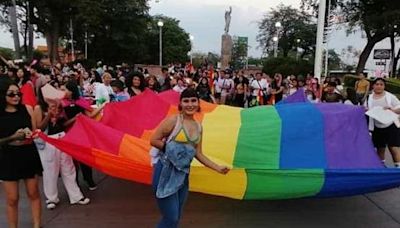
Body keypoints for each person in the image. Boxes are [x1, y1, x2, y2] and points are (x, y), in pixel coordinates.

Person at [150, 88, 230, 228]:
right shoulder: (173, 121)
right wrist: (174, 149)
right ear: (180, 103)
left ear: (198, 103)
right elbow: (154, 140)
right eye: (186, 101)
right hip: (165, 172)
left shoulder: (198, 127)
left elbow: (198, 153)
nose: (190, 104)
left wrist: (217, 168)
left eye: (193, 101)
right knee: (171, 217)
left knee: (177, 215)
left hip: (183, 174)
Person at [34, 90, 90, 209]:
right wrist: (49, 114)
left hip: (62, 137)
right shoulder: (39, 108)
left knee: (68, 167)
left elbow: (63, 124)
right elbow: (38, 127)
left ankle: (76, 196)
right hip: (49, 140)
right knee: (50, 170)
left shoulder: (60, 106)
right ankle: (51, 198)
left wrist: (75, 118)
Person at [0, 78, 42, 228]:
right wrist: (13, 137)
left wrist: (30, 134)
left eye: (18, 93)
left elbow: (33, 128)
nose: (16, 96)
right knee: (12, 198)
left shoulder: (25, 109)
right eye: (11, 94)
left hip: (27, 153)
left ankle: (37, 225)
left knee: (34, 193)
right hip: (8, 157)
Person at [61, 80, 105, 190]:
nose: (63, 91)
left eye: (65, 89)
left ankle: (89, 179)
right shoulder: (61, 103)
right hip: (69, 134)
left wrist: (103, 106)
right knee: (72, 161)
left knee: (85, 157)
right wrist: (75, 118)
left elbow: (90, 114)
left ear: (71, 91)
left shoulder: (80, 101)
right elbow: (61, 123)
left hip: (81, 134)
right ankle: (74, 183)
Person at [364, 78, 400, 167]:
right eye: (377, 84)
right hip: (376, 127)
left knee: (393, 147)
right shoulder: (369, 97)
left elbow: (399, 108)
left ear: (384, 86)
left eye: (381, 84)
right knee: (380, 148)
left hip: (391, 125)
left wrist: (392, 109)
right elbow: (365, 109)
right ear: (373, 86)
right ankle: (382, 167)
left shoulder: (390, 96)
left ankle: (398, 167)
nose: (379, 86)